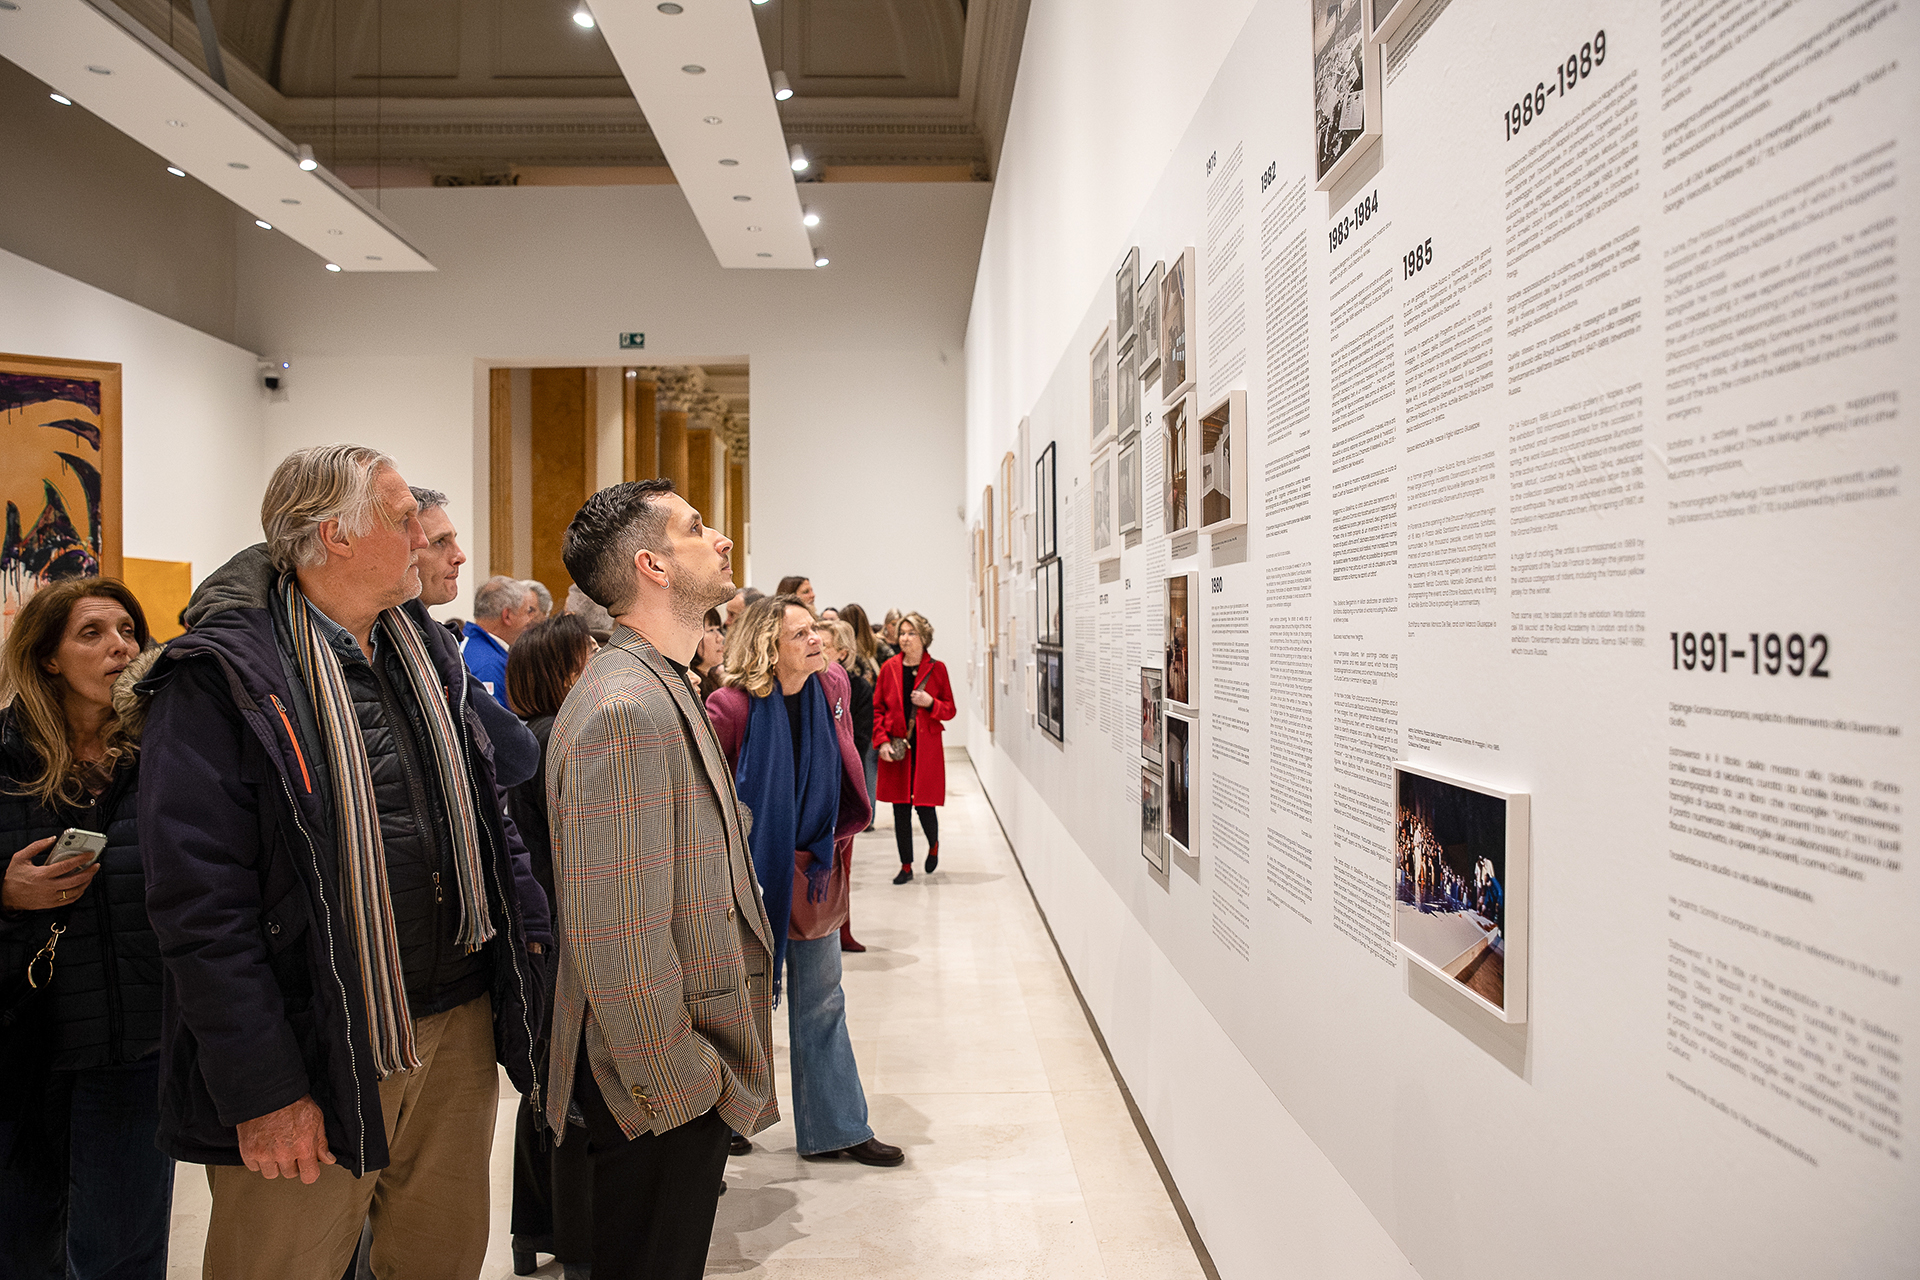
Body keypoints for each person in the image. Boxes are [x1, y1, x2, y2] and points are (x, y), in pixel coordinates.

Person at [137, 444, 549, 1280]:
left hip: (455, 1024)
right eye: (404, 521)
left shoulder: (422, 648)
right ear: (337, 534)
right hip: (315, 1043)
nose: (425, 540)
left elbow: (487, 816)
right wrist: (264, 1090)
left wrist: (533, 962)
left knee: (440, 1260)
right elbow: (199, 907)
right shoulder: (219, 679)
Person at [547, 479, 777, 1280]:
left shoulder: (663, 683)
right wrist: (680, 1080)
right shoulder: (625, 708)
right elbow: (616, 931)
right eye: (695, 527)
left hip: (674, 1068)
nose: (720, 539)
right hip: (657, 1083)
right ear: (652, 565)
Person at [0, 579, 171, 1280]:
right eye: (92, 633)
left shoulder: (164, 754)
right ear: (48, 656)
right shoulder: (5, 757)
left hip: (133, 1043)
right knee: (21, 1247)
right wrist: (4, 890)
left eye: (129, 631)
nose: (120, 648)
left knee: (122, 1252)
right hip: (22, 1039)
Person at [706, 598, 900, 1167]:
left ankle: (837, 1127)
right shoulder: (730, 707)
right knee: (738, 1006)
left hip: (813, 868)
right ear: (769, 648)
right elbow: (708, 796)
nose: (817, 638)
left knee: (822, 1000)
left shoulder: (831, 686)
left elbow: (840, 764)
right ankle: (728, 1123)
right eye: (801, 634)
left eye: (814, 629)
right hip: (749, 878)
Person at [502, 615, 596, 1280]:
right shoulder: (560, 738)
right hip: (565, 934)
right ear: (563, 670)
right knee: (573, 1089)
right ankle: (577, 1239)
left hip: (541, 933)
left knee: (545, 1087)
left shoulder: (527, 737)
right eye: (589, 654)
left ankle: (534, 1230)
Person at [411, 487, 542, 789]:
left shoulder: (439, 642)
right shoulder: (451, 653)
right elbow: (516, 755)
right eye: (440, 542)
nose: (459, 556)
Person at [872, 612, 955, 884]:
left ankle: (933, 845)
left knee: (925, 805)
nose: (905, 638)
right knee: (900, 808)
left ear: (924, 637)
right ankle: (905, 866)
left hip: (926, 747)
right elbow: (878, 708)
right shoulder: (889, 668)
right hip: (898, 746)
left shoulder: (937, 669)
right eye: (902, 633)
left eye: (911, 633)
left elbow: (950, 710)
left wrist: (931, 703)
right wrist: (882, 740)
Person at [818, 618, 873, 950]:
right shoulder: (810, 687)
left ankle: (842, 927)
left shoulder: (850, 686)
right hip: (825, 791)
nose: (816, 649)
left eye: (823, 645)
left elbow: (855, 736)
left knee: (842, 866)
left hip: (841, 788)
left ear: (841, 652)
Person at [462, 574, 539, 707]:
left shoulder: (462, 643)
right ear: (507, 615)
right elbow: (493, 719)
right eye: (527, 612)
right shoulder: (490, 666)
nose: (530, 620)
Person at [691, 608, 727, 700]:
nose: (720, 638)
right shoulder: (692, 684)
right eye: (711, 630)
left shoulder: (715, 679)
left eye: (718, 629)